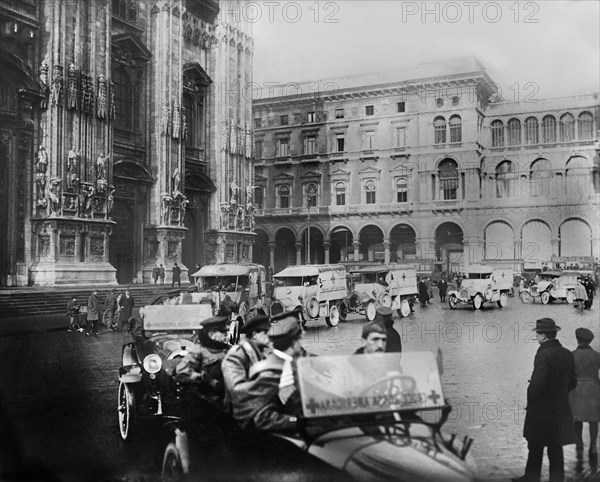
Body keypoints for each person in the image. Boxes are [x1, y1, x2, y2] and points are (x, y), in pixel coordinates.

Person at [513, 318, 577, 482]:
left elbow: (537, 384)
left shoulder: (543, 354)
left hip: (542, 409)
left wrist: (532, 403)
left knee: (535, 444)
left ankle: (531, 477)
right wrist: (559, 393)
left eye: (537, 333)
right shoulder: (567, 353)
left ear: (543, 336)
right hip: (560, 407)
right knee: (556, 446)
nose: (536, 336)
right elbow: (573, 381)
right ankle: (557, 478)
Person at [235, 316, 304, 434]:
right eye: (299, 340)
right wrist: (297, 422)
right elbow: (263, 418)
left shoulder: (294, 362)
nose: (300, 344)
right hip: (285, 438)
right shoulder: (268, 373)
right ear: (293, 343)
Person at [222, 314, 271, 424]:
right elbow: (238, 390)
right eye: (266, 333)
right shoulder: (236, 356)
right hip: (244, 416)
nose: (270, 337)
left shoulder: (262, 352)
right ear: (255, 335)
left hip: (261, 408)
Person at [569, 327, 600, 459]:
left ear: (577, 339)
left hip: (576, 389)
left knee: (577, 418)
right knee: (594, 419)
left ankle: (579, 442)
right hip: (593, 388)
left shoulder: (571, 355)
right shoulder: (597, 355)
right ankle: (593, 446)